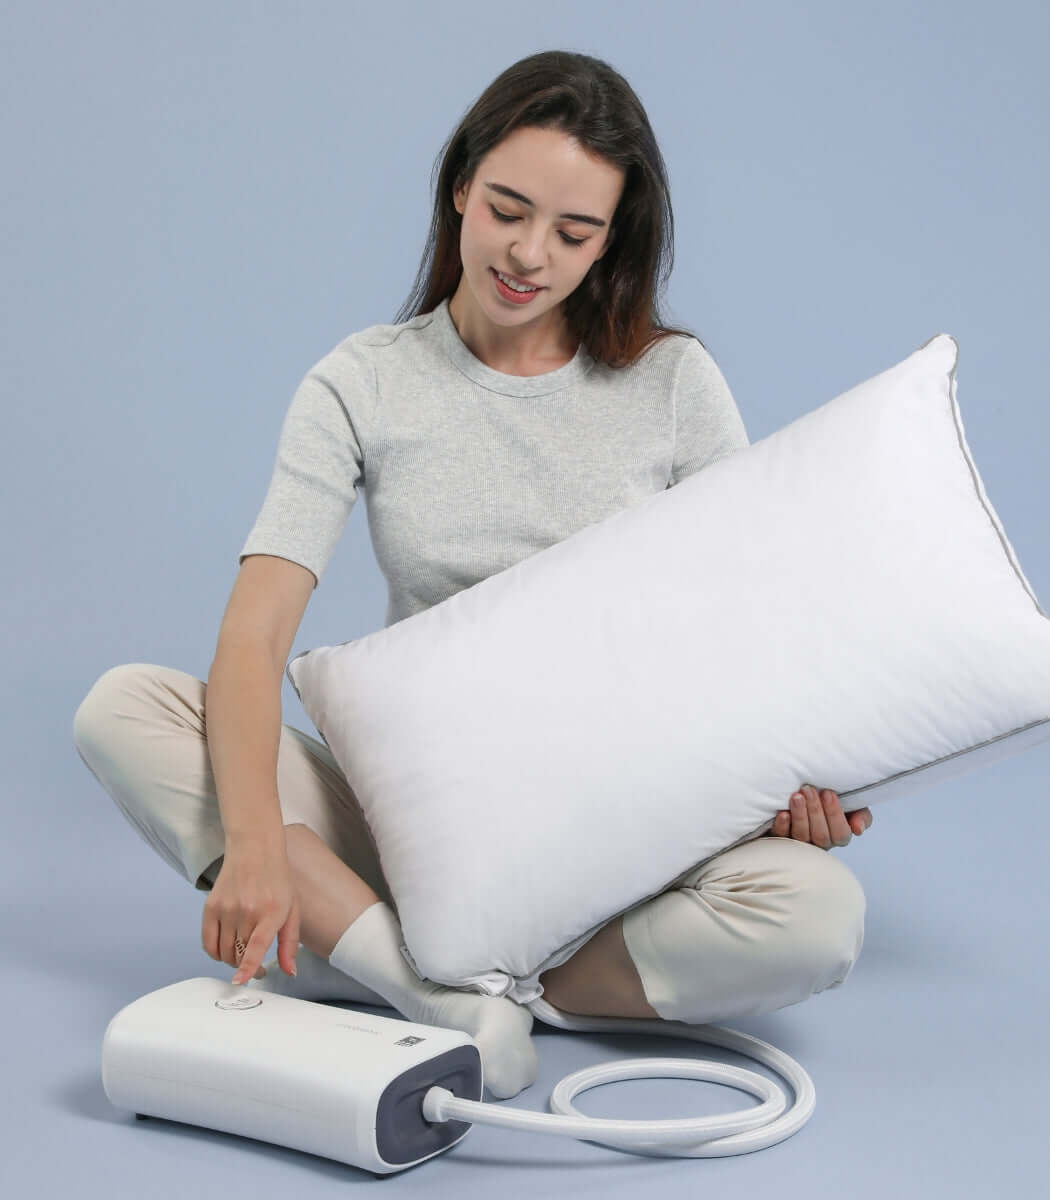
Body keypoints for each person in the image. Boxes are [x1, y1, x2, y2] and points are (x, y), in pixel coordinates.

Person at [72, 50, 872, 1101]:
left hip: (616, 832)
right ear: (460, 188)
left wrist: (795, 778)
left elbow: (746, 625)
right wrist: (257, 841)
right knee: (123, 710)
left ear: (612, 242)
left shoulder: (675, 383)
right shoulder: (361, 381)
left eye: (574, 233)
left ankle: (422, 966)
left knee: (818, 916)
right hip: (415, 818)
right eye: (506, 209)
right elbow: (256, 633)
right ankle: (438, 995)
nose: (529, 253)